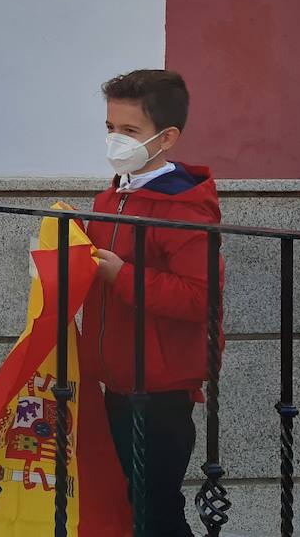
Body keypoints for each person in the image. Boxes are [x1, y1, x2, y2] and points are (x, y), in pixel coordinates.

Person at [79, 69, 222, 535]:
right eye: (110, 128)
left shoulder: (184, 205)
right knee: (134, 501)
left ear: (166, 138)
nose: (115, 140)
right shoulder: (112, 195)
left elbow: (199, 297)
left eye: (129, 131)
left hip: (160, 387)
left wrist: (122, 275)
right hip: (117, 378)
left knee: (155, 506)